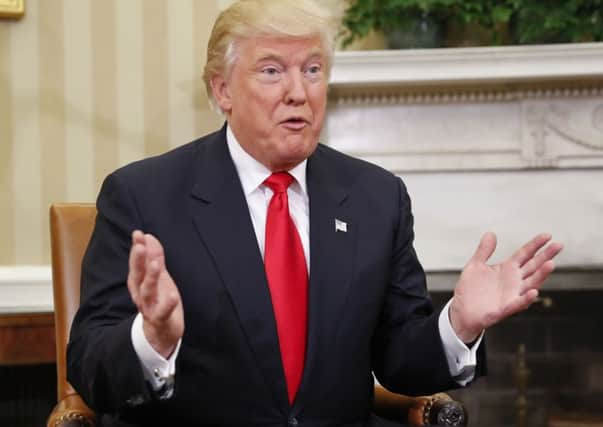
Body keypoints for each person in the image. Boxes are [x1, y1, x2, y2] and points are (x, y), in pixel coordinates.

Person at [67, 1, 563, 426]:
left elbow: (400, 360)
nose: (298, 92)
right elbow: (88, 362)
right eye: (271, 70)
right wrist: (152, 339)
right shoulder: (143, 195)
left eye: (312, 69)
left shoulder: (376, 196)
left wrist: (458, 324)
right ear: (222, 90)